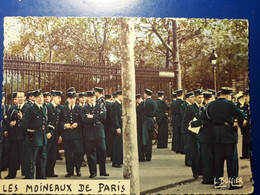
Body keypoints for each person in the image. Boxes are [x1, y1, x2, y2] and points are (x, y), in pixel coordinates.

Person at [206, 87, 246, 189]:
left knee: (218, 160)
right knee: (231, 159)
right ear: (228, 95)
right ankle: (233, 182)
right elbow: (241, 115)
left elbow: (207, 118)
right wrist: (234, 121)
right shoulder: (230, 104)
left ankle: (218, 182)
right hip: (228, 134)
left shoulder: (211, 105)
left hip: (216, 135)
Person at [20, 89, 48, 179]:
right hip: (33, 137)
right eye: (38, 97)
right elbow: (24, 123)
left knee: (42, 158)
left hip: (42, 135)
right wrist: (29, 134)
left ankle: (41, 176)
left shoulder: (44, 107)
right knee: (31, 160)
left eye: (42, 97)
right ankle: (30, 178)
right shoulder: (30, 109)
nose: (40, 99)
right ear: (34, 98)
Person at [81, 91, 109, 178]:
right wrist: (96, 117)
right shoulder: (84, 108)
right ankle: (93, 172)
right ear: (87, 98)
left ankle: (103, 171)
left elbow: (104, 116)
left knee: (103, 150)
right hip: (89, 133)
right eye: (90, 97)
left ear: (95, 98)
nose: (92, 98)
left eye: (93, 97)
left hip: (99, 131)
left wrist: (92, 116)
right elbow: (84, 119)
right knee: (90, 153)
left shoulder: (100, 106)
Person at [191, 91, 214, 184]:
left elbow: (201, 120)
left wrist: (192, 123)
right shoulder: (215, 107)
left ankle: (208, 178)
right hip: (215, 135)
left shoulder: (207, 108)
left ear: (205, 99)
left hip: (206, 136)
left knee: (207, 158)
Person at [5, 91, 29, 179]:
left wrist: (21, 118)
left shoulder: (28, 108)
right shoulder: (12, 108)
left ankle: (26, 174)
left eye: (21, 97)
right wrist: (10, 124)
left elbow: (30, 121)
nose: (19, 99)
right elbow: (6, 119)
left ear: (25, 98)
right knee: (12, 155)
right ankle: (11, 173)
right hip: (13, 136)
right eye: (18, 97)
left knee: (24, 156)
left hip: (23, 136)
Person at [60, 87, 83, 177]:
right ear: (67, 99)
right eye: (70, 98)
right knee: (68, 153)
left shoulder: (79, 108)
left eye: (73, 98)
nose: (72, 100)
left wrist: (77, 124)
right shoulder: (63, 109)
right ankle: (69, 171)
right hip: (67, 135)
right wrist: (64, 125)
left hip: (77, 135)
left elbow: (82, 121)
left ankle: (78, 170)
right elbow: (60, 121)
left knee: (78, 152)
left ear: (75, 99)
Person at [45, 90, 63, 177]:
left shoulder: (58, 108)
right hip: (49, 132)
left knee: (53, 155)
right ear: (53, 97)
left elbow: (58, 123)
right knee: (46, 153)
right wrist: (47, 132)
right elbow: (45, 121)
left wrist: (59, 135)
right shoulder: (47, 107)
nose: (59, 99)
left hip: (55, 133)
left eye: (60, 98)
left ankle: (50, 171)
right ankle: (43, 171)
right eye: (58, 97)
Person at [139, 89, 157, 161]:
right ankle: (149, 156)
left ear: (146, 94)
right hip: (151, 120)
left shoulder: (144, 102)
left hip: (145, 121)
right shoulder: (154, 102)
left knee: (144, 138)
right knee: (150, 139)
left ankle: (143, 154)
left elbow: (138, 110)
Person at [180, 91, 195, 166]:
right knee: (188, 145)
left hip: (190, 128)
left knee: (190, 145)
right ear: (189, 98)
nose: (193, 99)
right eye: (192, 97)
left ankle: (190, 160)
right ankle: (188, 161)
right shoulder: (184, 105)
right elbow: (184, 117)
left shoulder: (190, 106)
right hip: (186, 128)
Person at [111, 90, 123, 168]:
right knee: (117, 145)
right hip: (117, 127)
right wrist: (117, 127)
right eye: (122, 95)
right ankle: (116, 162)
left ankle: (120, 160)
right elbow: (114, 118)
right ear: (118, 96)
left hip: (121, 126)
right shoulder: (114, 105)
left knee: (120, 145)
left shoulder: (120, 104)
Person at [0, 92, 9, 178]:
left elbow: (6, 121)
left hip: (3, 132)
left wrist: (6, 130)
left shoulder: (6, 108)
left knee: (2, 151)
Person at [103, 94, 113, 159]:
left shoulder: (103, 104)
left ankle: (106, 151)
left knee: (105, 138)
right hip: (110, 124)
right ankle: (109, 152)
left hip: (104, 123)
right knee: (109, 138)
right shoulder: (111, 105)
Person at [136, 94, 145, 161]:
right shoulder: (143, 104)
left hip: (141, 124)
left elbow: (138, 111)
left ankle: (141, 156)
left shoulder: (142, 104)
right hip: (141, 124)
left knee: (140, 140)